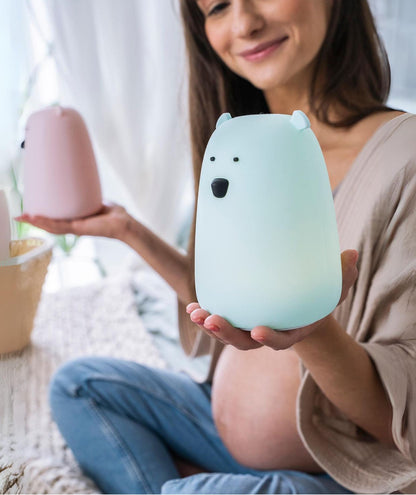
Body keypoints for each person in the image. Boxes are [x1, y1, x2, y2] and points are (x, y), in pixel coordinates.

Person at [17, 0, 416, 493]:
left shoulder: (404, 159)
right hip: (219, 427)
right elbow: (220, 301)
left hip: (348, 468)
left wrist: (313, 332)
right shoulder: (234, 150)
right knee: (78, 385)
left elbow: (403, 420)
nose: (244, 23)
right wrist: (127, 230)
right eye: (218, 7)